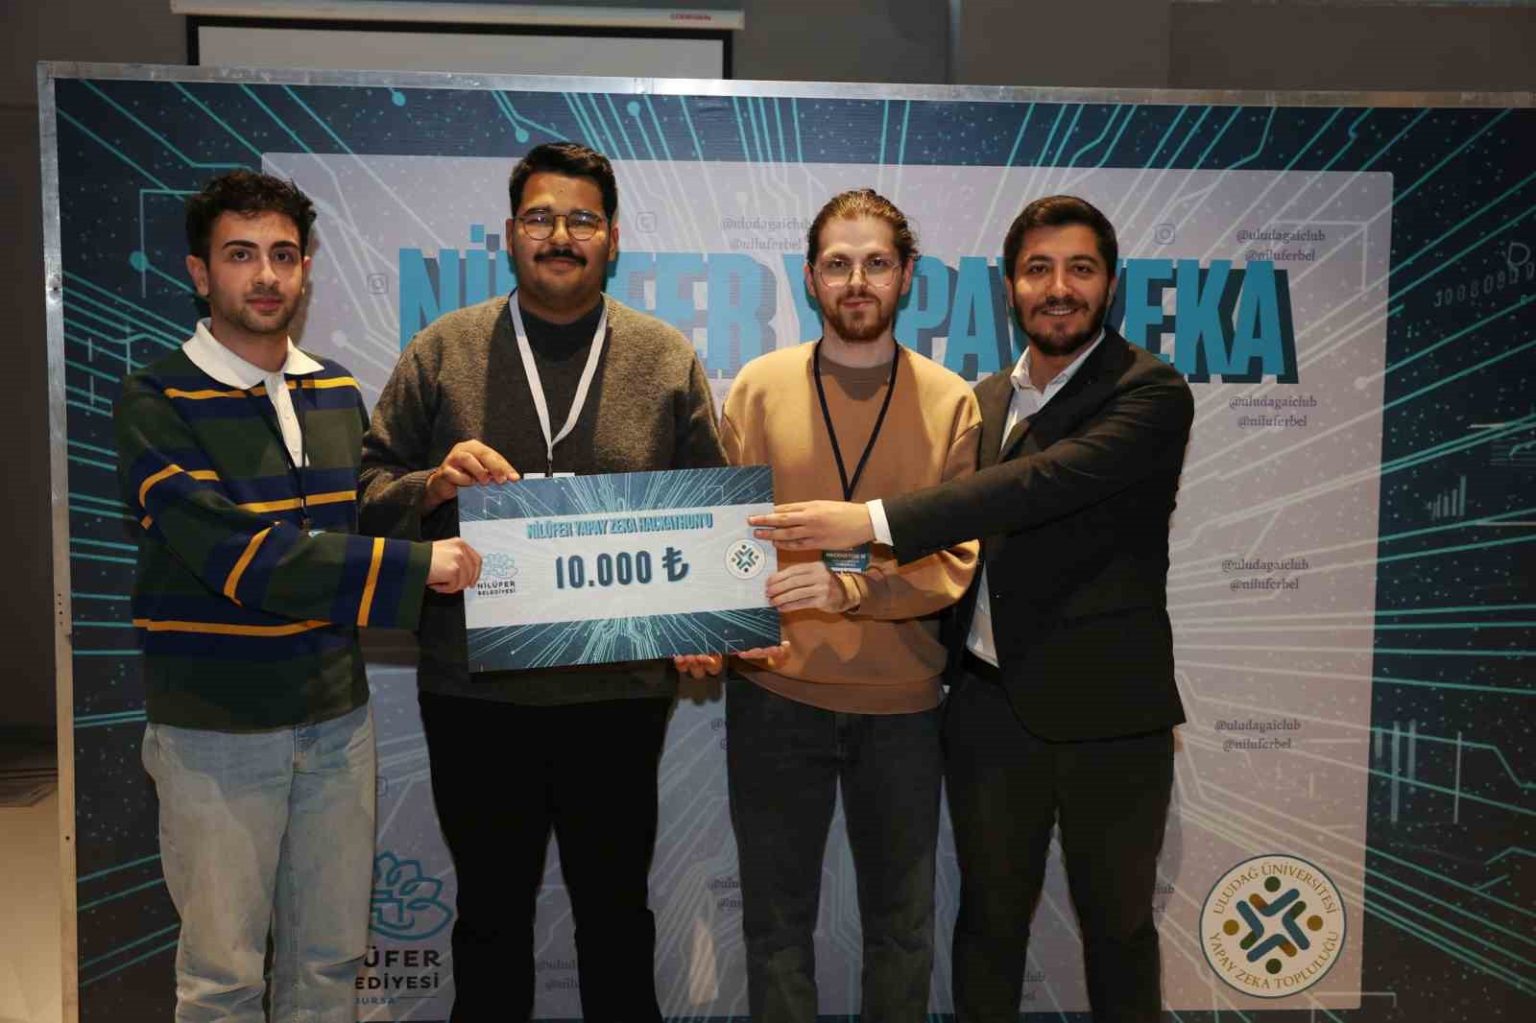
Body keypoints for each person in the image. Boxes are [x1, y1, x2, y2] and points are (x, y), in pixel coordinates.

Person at [749, 195, 1193, 1023]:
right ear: (1010, 286)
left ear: (1110, 284)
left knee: (1119, 932)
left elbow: (1034, 486)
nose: (1058, 288)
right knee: (986, 926)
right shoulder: (984, 400)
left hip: (1111, 720)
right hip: (989, 709)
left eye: (1080, 269)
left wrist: (868, 523)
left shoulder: (1150, 392)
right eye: (1037, 269)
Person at [357, 141, 725, 1022]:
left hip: (617, 695)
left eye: (582, 219)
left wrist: (708, 623)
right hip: (476, 694)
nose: (561, 235)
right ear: (510, 233)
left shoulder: (664, 356)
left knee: (616, 918)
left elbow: (710, 512)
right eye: (541, 217)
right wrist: (432, 484)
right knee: (489, 920)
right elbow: (364, 495)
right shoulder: (443, 350)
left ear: (613, 237)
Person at [116, 169, 481, 1023]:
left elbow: (354, 518)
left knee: (328, 965)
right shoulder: (155, 398)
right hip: (215, 732)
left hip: (334, 722)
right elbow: (240, 557)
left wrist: (431, 487)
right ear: (200, 272)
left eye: (283, 255)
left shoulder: (334, 389)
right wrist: (416, 566)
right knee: (223, 979)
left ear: (307, 269)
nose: (266, 275)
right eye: (241, 254)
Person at [712, 189, 979, 1021]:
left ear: (906, 274)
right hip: (774, 696)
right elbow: (720, 539)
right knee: (775, 928)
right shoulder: (757, 389)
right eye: (838, 264)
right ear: (810, 277)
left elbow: (956, 561)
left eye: (875, 263)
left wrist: (854, 587)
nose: (856, 280)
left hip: (903, 709)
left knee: (901, 928)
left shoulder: (951, 402)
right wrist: (715, 625)